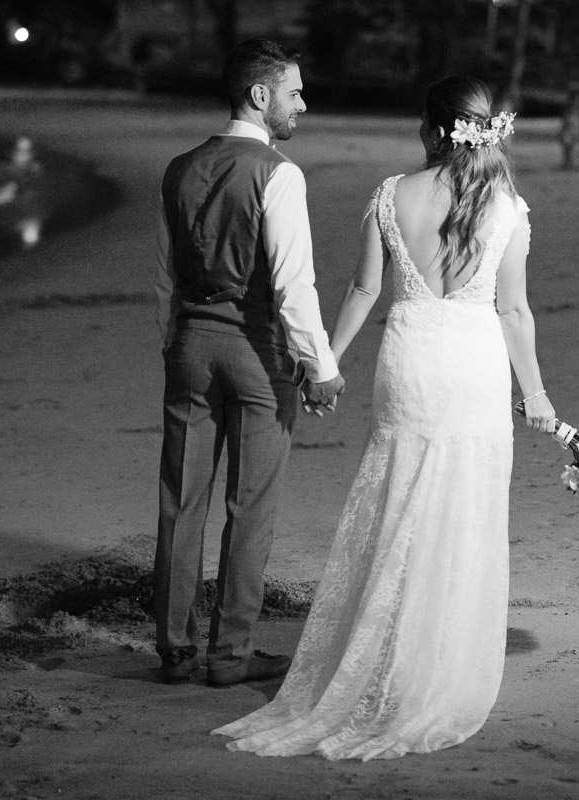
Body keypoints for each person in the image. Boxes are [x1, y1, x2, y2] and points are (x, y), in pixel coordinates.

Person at [213, 75, 556, 759]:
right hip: (473, 363)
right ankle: (437, 658)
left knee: (398, 499)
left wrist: (324, 365)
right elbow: (513, 311)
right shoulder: (507, 205)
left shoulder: (390, 192)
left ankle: (386, 651)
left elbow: (365, 288)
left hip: (410, 360)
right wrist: (537, 394)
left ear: (431, 129)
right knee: (462, 508)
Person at [153, 40, 345, 688]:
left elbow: (164, 277)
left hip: (190, 347)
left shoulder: (180, 168)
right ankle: (228, 655)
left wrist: (174, 345)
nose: (302, 104)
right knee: (250, 509)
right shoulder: (277, 173)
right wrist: (319, 366)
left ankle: (175, 650)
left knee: (181, 504)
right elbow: (294, 285)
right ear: (259, 96)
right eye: (294, 92)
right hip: (256, 351)